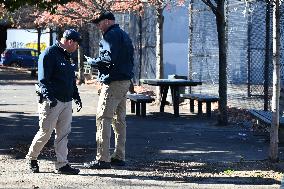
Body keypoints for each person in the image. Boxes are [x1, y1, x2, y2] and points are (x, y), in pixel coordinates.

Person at [25, 29, 83, 175]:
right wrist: (49, 98)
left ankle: (62, 164)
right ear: (70, 41)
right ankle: (32, 158)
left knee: (63, 134)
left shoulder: (67, 56)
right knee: (45, 132)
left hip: (66, 100)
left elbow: (71, 80)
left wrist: (76, 96)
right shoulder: (49, 54)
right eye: (76, 44)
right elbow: (43, 80)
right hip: (52, 101)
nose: (77, 47)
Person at [84, 11, 134, 169]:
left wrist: (93, 62)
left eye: (98, 23)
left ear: (106, 21)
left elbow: (107, 59)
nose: (98, 27)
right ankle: (119, 156)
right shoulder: (124, 35)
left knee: (103, 118)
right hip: (125, 81)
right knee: (119, 120)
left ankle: (102, 159)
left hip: (112, 83)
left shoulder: (109, 36)